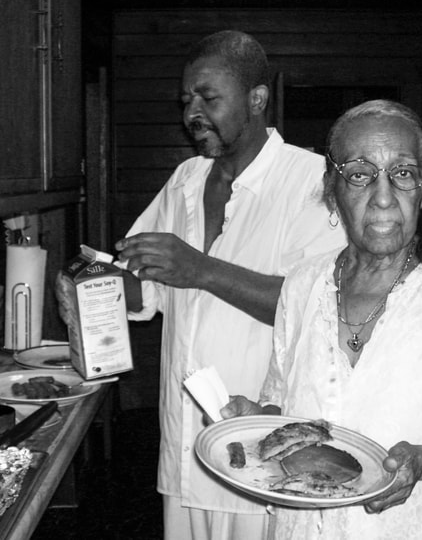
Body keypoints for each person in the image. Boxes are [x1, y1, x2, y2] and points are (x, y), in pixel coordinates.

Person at [221, 99, 422, 539]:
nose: (383, 197)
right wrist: (258, 422)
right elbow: (282, 404)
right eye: (360, 174)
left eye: (402, 173)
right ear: (333, 190)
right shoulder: (303, 286)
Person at [113, 30, 346, 539]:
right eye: (186, 100)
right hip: (184, 450)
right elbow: (143, 286)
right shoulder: (185, 181)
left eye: (209, 98)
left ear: (257, 99)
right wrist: (93, 291)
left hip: (264, 455)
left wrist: (201, 270)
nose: (192, 112)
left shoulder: (309, 183)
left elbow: (320, 310)